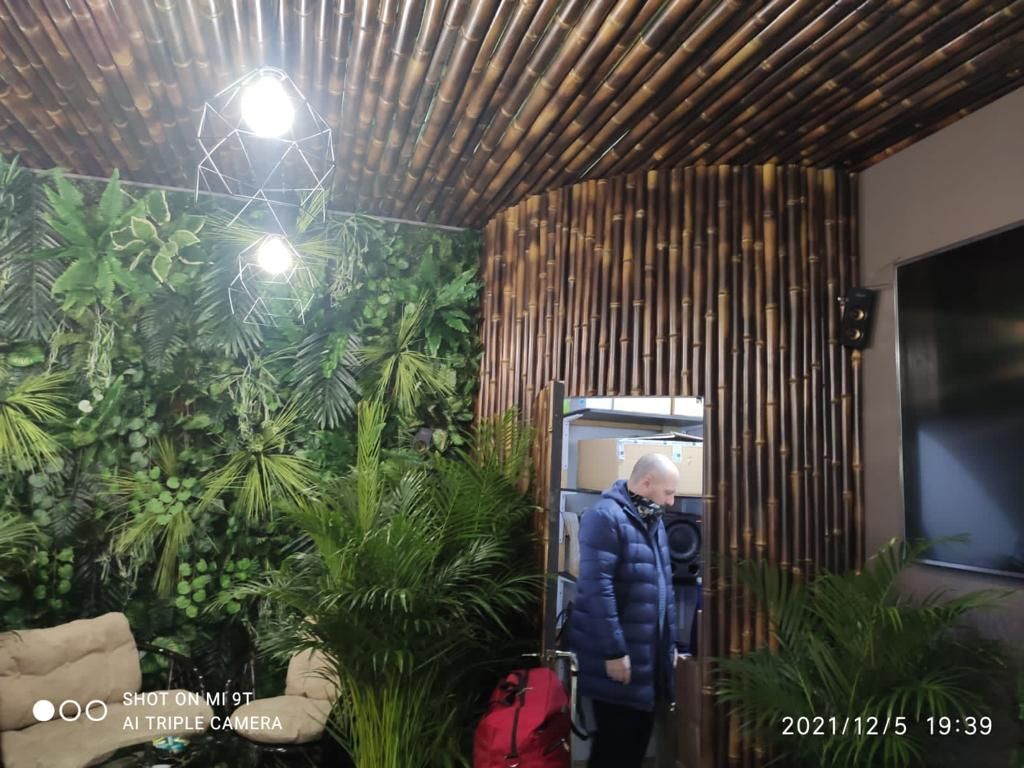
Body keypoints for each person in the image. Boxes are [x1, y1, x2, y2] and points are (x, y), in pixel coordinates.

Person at [569, 453, 679, 768]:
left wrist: (668, 644)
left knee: (635, 747)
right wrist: (614, 651)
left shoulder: (652, 520)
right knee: (614, 749)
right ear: (647, 482)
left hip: (646, 659)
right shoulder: (605, 517)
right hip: (619, 659)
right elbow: (596, 590)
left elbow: (663, 587)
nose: (671, 502)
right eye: (668, 492)